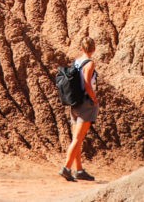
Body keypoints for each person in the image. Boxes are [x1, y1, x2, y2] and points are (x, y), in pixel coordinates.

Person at [60, 36, 98, 182]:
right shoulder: (90, 63)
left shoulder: (76, 62)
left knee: (77, 139)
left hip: (74, 103)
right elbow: (88, 84)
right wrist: (94, 99)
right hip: (85, 103)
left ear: (81, 48)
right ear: (94, 49)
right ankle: (66, 168)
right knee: (77, 138)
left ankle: (79, 170)